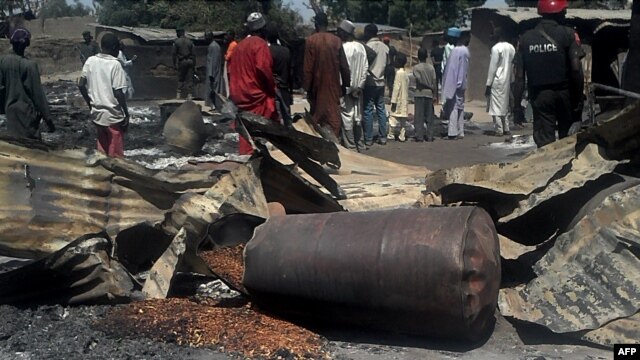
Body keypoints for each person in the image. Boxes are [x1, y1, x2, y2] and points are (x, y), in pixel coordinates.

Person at [513, 0, 583, 148]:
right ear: (558, 14)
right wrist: (578, 101)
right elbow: (576, 69)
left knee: (545, 143)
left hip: (540, 96)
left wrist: (517, 106)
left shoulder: (525, 39)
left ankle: (547, 169)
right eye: (563, 12)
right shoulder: (568, 34)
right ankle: (566, 168)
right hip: (565, 95)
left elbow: (519, 77)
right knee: (568, 141)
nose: (565, 15)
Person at [228, 12, 278, 155]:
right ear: (263, 28)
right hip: (255, 96)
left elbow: (232, 70)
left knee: (245, 133)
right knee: (259, 128)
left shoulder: (238, 46)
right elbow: (264, 68)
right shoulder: (260, 45)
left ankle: (249, 155)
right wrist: (271, 88)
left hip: (239, 96)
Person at [78, 32, 130, 158]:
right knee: (116, 153)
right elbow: (118, 92)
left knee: (102, 147)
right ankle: (117, 174)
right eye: (118, 47)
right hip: (112, 114)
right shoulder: (115, 64)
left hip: (97, 112)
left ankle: (102, 171)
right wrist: (126, 113)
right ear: (113, 48)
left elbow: (80, 84)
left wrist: (90, 103)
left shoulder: (91, 60)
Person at [0, 27, 54, 139]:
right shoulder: (29, 66)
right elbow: (38, 96)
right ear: (26, 44)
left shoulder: (3, 61)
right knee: (32, 148)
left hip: (10, 113)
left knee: (16, 147)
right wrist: (49, 120)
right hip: (27, 115)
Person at [303, 12, 350, 139]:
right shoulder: (336, 41)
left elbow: (308, 68)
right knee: (334, 119)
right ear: (327, 24)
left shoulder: (311, 41)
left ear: (316, 24)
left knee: (316, 119)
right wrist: (346, 85)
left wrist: (307, 88)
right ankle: (335, 147)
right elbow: (345, 67)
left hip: (316, 88)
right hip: (334, 88)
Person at [337, 19, 368, 151]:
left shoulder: (343, 48)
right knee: (357, 116)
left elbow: (342, 70)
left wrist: (344, 87)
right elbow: (365, 68)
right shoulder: (361, 47)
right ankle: (360, 144)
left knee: (347, 116)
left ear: (344, 33)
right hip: (358, 88)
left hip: (346, 88)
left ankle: (351, 147)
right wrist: (360, 86)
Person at [485, 27, 515, 137]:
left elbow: (493, 67)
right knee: (504, 104)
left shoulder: (496, 48)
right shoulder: (511, 47)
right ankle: (506, 127)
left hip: (497, 79)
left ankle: (499, 129)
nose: (491, 36)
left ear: (498, 35)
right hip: (507, 79)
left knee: (495, 106)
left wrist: (488, 84)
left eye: (493, 34)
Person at [362, 23, 389, 146]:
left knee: (367, 109)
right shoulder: (385, 47)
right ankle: (383, 137)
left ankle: (368, 139)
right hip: (381, 82)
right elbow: (387, 65)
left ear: (368, 33)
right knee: (381, 109)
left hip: (370, 81)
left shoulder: (367, 46)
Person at [442, 31, 470, 140]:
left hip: (455, 83)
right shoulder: (463, 51)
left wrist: (456, 84)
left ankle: (452, 132)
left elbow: (454, 70)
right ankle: (460, 131)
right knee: (460, 107)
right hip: (460, 83)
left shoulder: (457, 51)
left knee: (453, 107)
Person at [267, 24, 293, 127]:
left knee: (276, 117)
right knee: (287, 116)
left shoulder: (267, 51)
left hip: (273, 89)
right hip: (285, 87)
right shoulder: (286, 51)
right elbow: (290, 71)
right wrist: (290, 90)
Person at [413, 47, 437, 142]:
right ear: (426, 56)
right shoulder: (431, 68)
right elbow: (434, 81)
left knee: (419, 117)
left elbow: (419, 81)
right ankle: (430, 136)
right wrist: (434, 93)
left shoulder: (416, 68)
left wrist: (429, 86)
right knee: (429, 117)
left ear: (418, 56)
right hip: (429, 95)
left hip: (420, 93)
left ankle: (419, 136)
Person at [388, 53, 409, 142]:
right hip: (404, 99)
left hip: (398, 100)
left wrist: (393, 100)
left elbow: (396, 88)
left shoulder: (398, 73)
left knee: (393, 117)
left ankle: (391, 134)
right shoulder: (405, 73)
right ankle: (402, 136)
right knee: (403, 120)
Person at [172, 27, 195, 99]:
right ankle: (190, 95)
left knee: (181, 78)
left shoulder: (176, 42)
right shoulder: (190, 41)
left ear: (179, 33)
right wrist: (194, 64)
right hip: (190, 61)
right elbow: (194, 54)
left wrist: (174, 64)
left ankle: (179, 94)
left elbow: (174, 54)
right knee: (190, 78)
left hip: (182, 61)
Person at [204, 30, 222, 107]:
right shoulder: (214, 45)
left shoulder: (213, 46)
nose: (205, 38)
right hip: (214, 71)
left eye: (206, 36)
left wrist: (211, 74)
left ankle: (214, 105)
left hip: (213, 72)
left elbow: (212, 61)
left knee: (213, 89)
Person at [430, 38, 444, 104]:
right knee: (442, 84)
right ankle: (443, 100)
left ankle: (436, 100)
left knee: (435, 85)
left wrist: (438, 62)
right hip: (442, 68)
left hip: (435, 69)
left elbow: (433, 62)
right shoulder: (442, 50)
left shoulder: (433, 51)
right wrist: (441, 62)